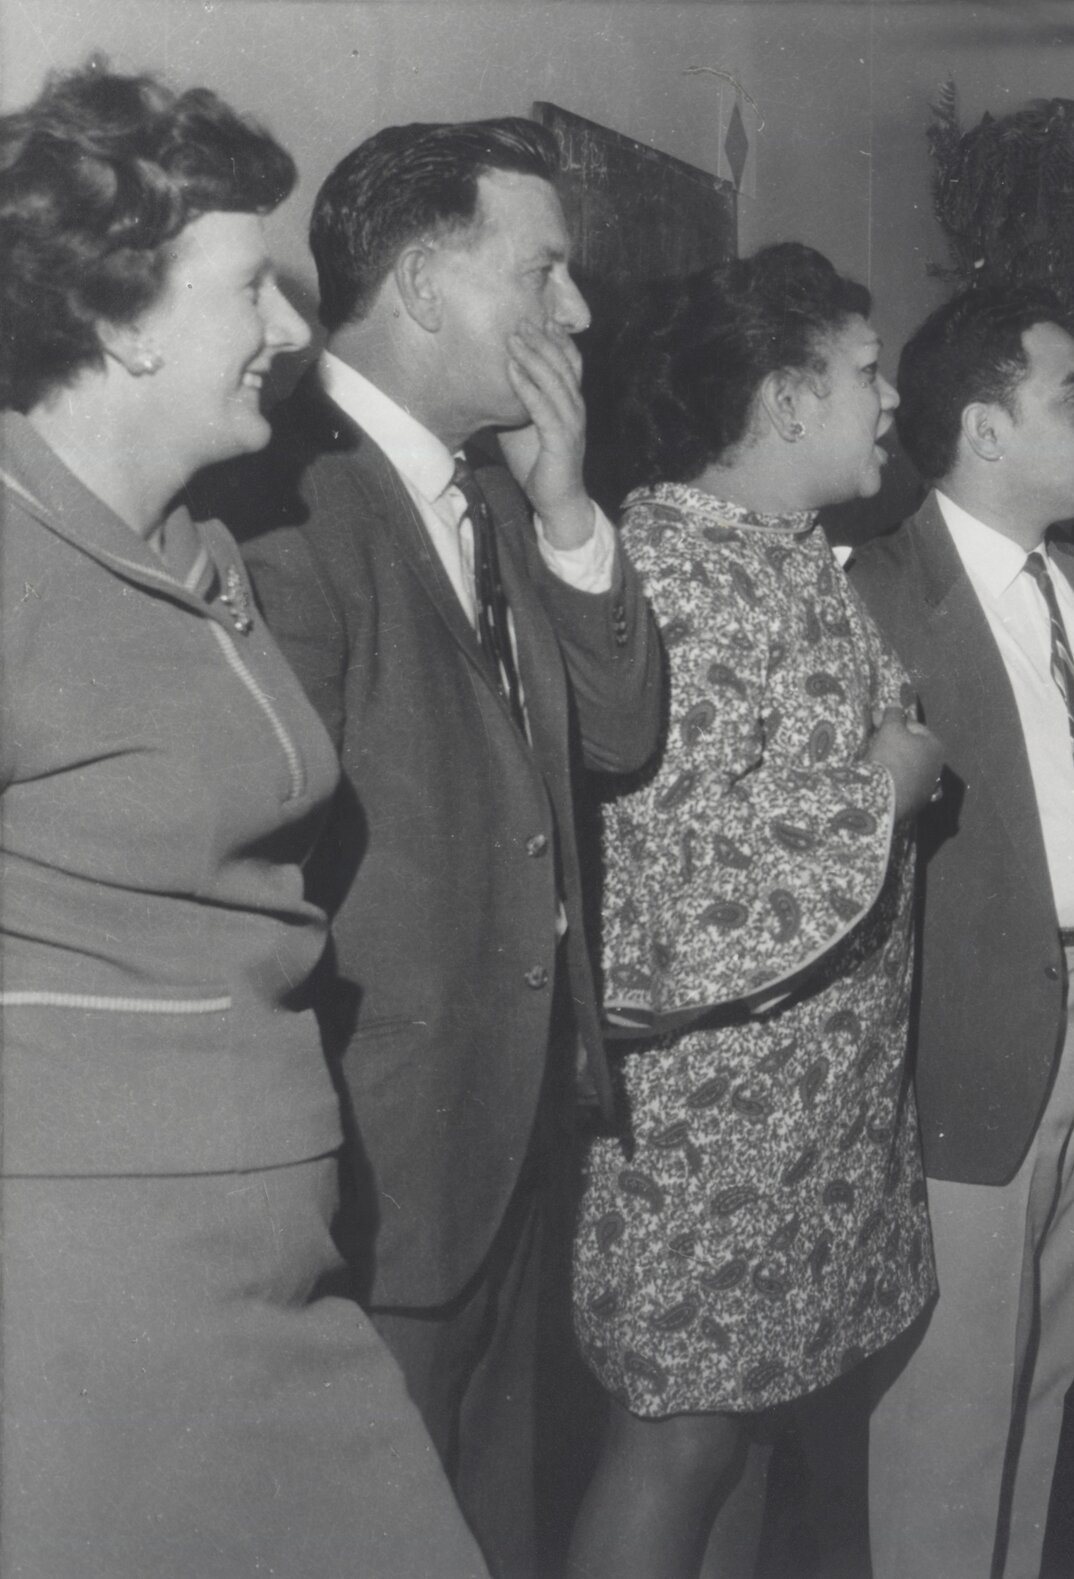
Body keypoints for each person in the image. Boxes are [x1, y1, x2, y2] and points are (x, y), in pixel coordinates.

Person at [0, 65, 486, 1579]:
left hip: (277, 1242)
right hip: (95, 1292)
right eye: (248, 290)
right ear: (121, 318)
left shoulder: (206, 545)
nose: (291, 331)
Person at [204, 117, 664, 1575]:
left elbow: (617, 733)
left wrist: (571, 504)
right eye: (541, 273)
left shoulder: (492, 491)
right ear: (418, 286)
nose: (574, 313)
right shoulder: (283, 495)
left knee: (488, 1525)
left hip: (506, 1132)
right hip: (373, 1169)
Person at [562, 243, 942, 1579]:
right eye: (860, 372)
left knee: (731, 1444)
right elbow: (679, 903)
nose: (887, 400)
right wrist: (886, 790)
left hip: (797, 1110)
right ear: (782, 398)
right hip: (713, 1113)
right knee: (674, 1444)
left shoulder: (778, 556)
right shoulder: (685, 575)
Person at [849, 285, 1074, 1579]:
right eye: (1071, 394)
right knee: (950, 1405)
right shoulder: (877, 593)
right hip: (969, 1043)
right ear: (984, 427)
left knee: (1042, 1377)